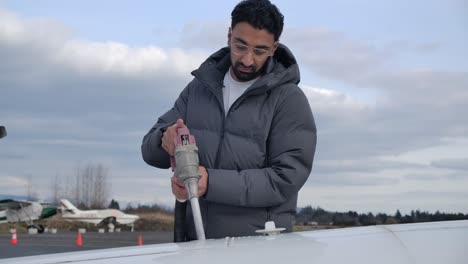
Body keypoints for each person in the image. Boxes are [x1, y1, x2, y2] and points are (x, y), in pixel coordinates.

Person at [142, 0, 316, 240]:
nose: (247, 60)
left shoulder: (289, 100)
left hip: (259, 249)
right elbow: (149, 152)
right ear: (228, 35)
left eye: (259, 50)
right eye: (240, 45)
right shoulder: (198, 89)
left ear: (274, 48)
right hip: (197, 246)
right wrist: (166, 139)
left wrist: (210, 183)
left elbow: (286, 178)